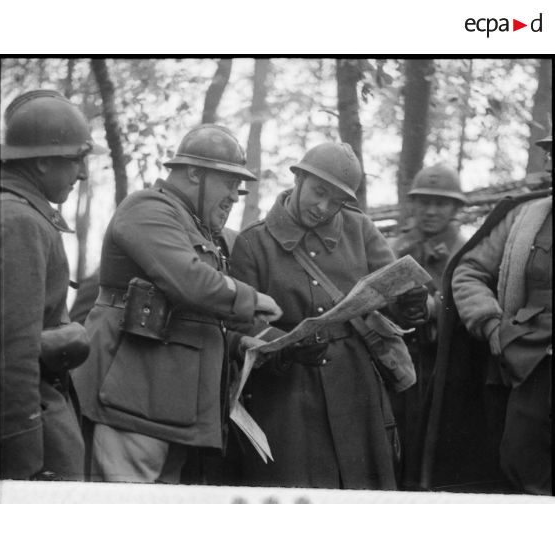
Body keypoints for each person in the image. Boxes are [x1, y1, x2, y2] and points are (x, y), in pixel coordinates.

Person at [72, 124, 282, 484]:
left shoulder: (198, 228)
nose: (235, 196)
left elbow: (193, 316)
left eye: (239, 188)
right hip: (130, 399)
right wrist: (252, 299)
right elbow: (190, 282)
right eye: (228, 183)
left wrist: (237, 342)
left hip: (171, 408)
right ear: (194, 173)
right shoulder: (147, 208)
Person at [230, 142, 428, 490]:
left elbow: (391, 288)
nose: (324, 208)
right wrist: (282, 346)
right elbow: (241, 322)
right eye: (318, 193)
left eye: (336, 201)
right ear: (299, 180)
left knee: (362, 492)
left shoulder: (359, 229)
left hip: (356, 386)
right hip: (287, 394)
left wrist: (410, 305)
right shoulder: (253, 243)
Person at [421, 135, 551, 495]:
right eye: (551, 155)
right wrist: (490, 323)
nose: (550, 163)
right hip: (529, 360)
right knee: (520, 460)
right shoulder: (525, 217)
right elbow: (469, 271)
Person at [0, 89, 106, 480]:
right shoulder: (19, 223)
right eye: (75, 159)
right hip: (30, 440)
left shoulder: (23, 215)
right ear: (42, 162)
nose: (83, 173)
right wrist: (25, 464)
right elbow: (13, 355)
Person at [391, 163, 467, 489]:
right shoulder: (398, 246)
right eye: (424, 202)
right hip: (399, 358)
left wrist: (436, 307)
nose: (431, 211)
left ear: (454, 209)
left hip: (444, 364)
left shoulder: (467, 250)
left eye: (440, 203)